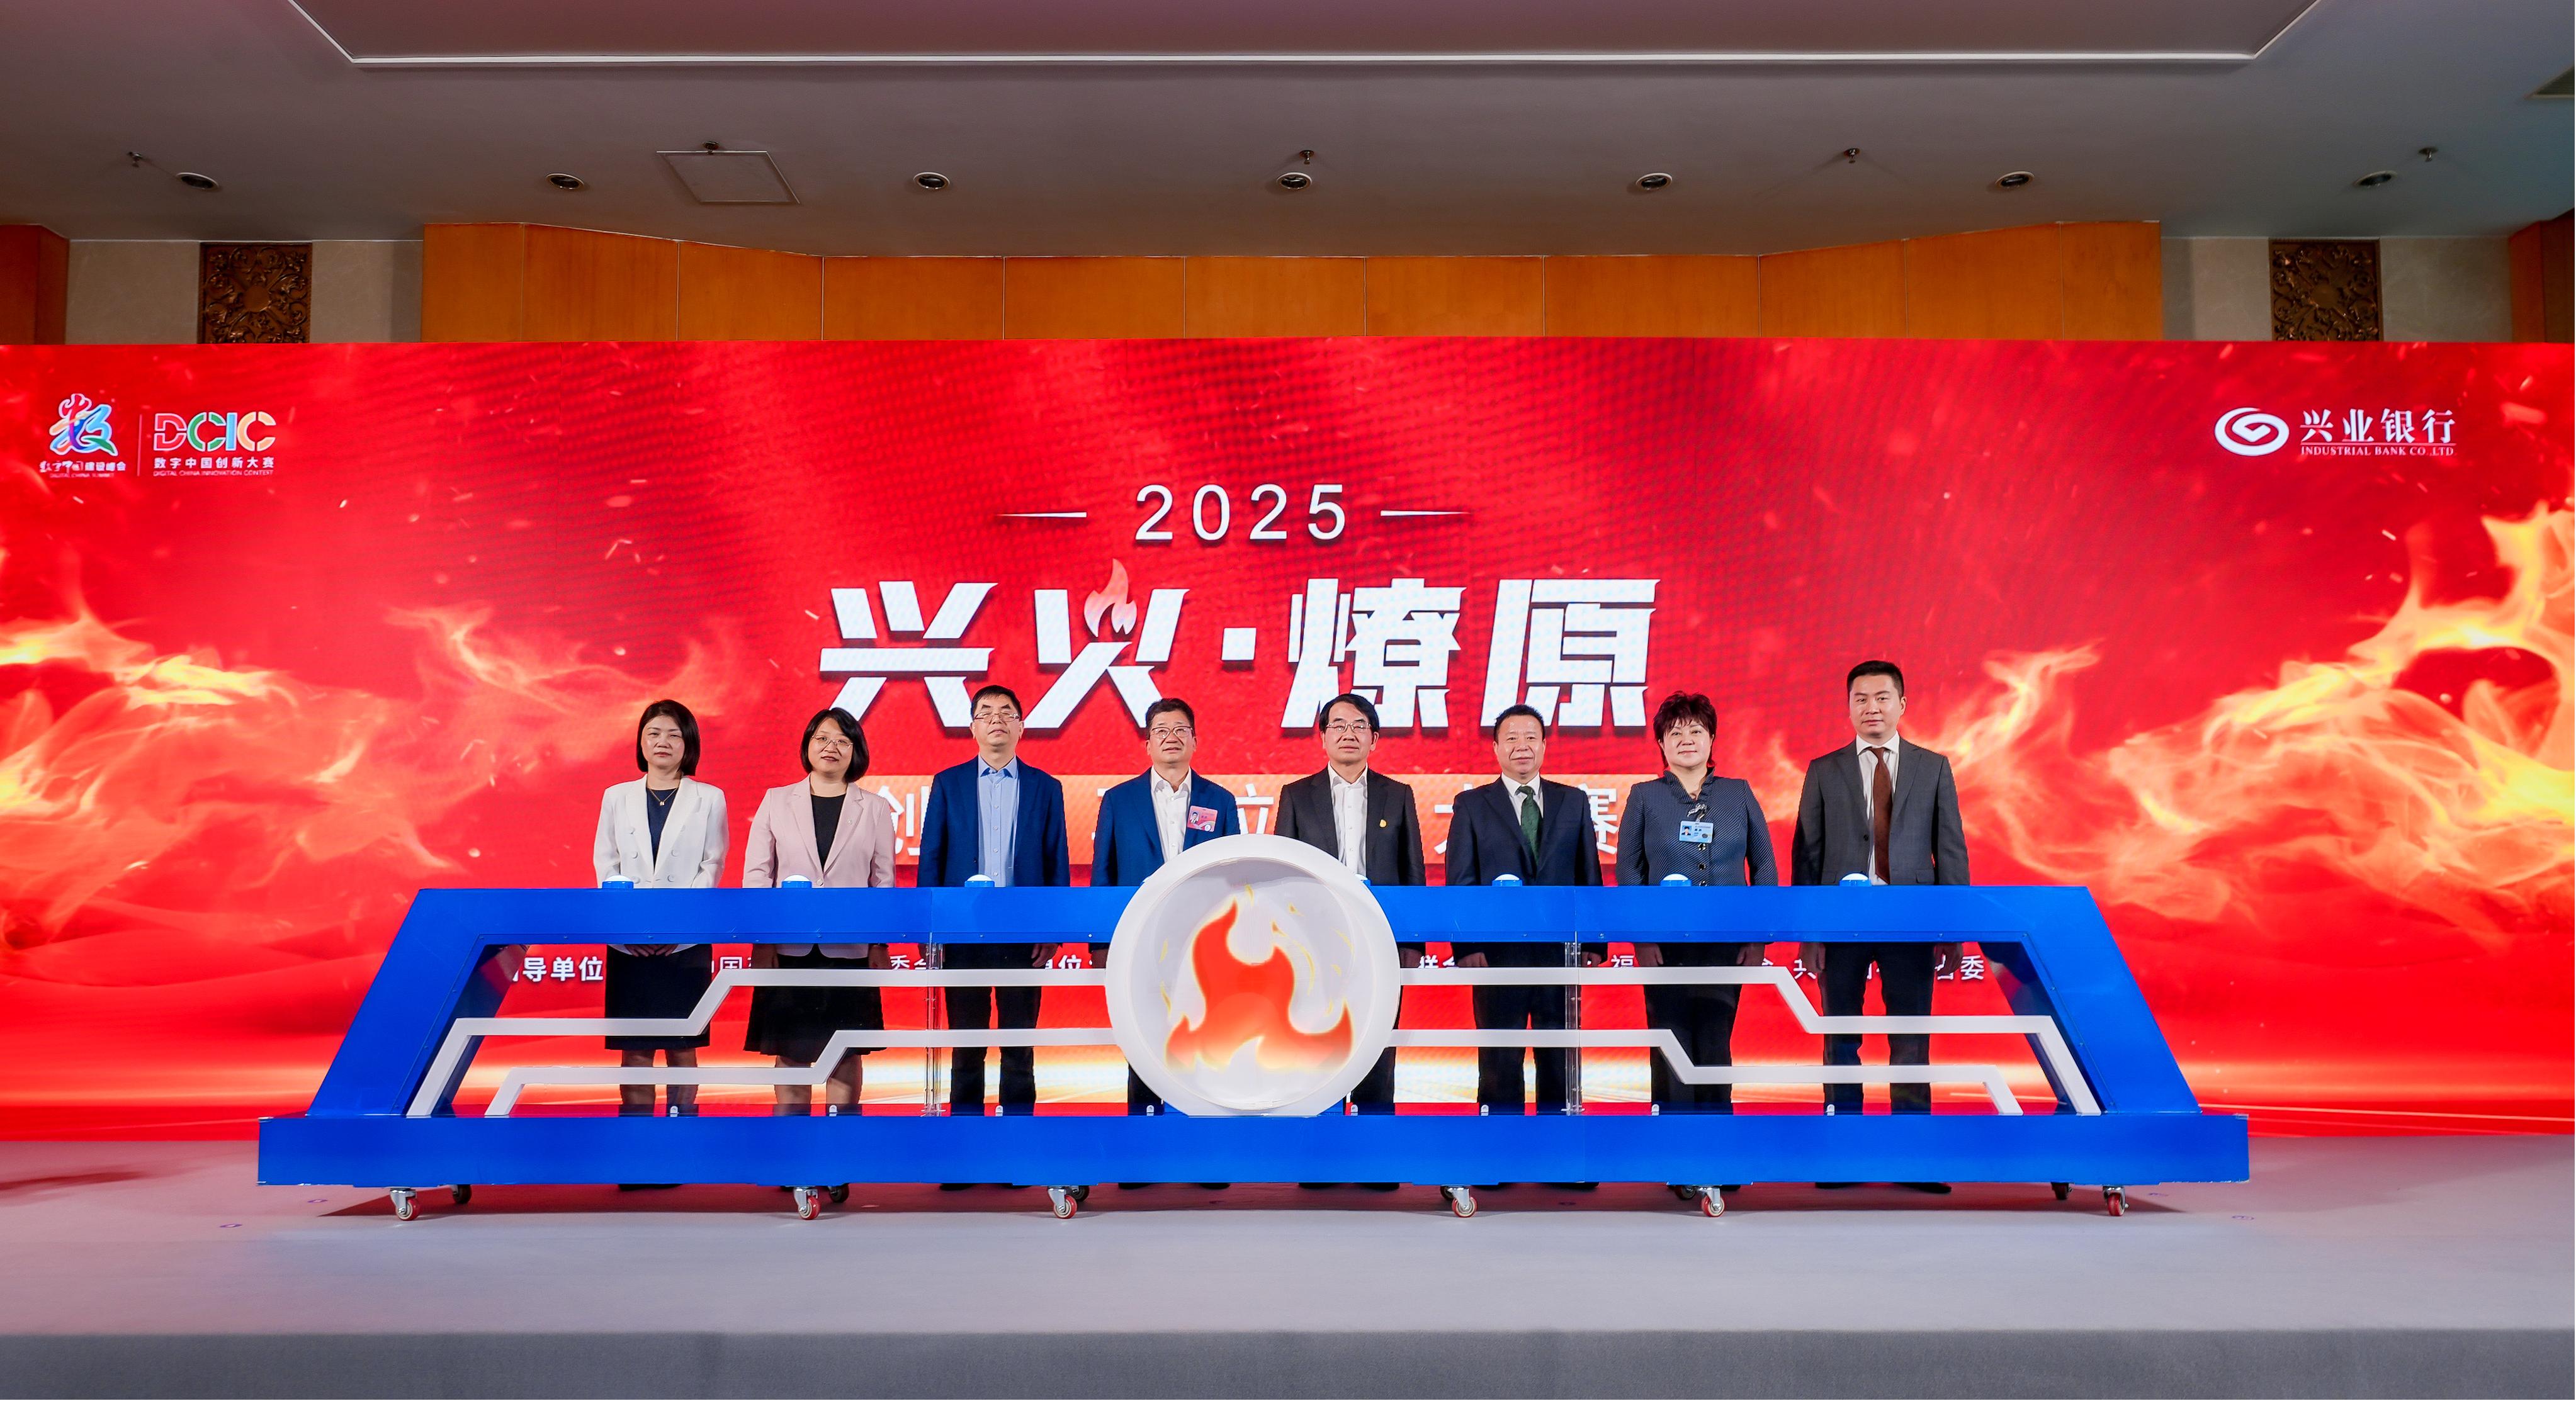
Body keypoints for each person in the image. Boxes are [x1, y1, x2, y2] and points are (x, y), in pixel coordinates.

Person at [1792, 660, 1969, 1195]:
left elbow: (1951, 852)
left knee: (1911, 1037)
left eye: (1882, 697)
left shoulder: (1933, 767)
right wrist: (1809, 933)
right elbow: (1807, 857)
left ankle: (1914, 1155)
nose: (1872, 708)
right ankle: (1842, 1152)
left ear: (1902, 704)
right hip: (1840, 923)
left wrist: (1952, 930)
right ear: (1848, 707)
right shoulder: (1824, 770)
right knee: (1840, 1035)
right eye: (1861, 699)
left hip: (1910, 923)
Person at [1614, 690, 1777, 1115]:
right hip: (1664, 945)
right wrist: (1642, 940)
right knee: (1669, 1039)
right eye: (1675, 733)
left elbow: (1764, 865)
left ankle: (1716, 1137)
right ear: (1661, 744)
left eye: (1696, 731)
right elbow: (1629, 872)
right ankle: (1673, 1140)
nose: (1686, 740)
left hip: (1725, 942)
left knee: (1715, 1038)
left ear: (1712, 739)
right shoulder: (1645, 796)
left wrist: (1758, 937)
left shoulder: (1738, 793)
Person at [917, 684, 1070, 1125]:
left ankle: (1018, 1137)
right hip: (962, 934)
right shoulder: (949, 784)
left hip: (1023, 935)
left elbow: (1056, 861)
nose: (997, 719)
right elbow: (932, 858)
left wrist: (1052, 932)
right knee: (967, 1045)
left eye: (1007, 712)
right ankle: (965, 1137)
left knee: (1019, 1045)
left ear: (1021, 727)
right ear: (972, 728)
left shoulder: (1046, 788)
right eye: (986, 712)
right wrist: (931, 929)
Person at [1445, 704, 1602, 1117]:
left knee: (1561, 1057)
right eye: (1511, 738)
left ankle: (1561, 1144)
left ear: (1545, 745)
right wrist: (1466, 947)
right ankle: (1499, 1145)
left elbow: (1589, 875)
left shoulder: (1573, 802)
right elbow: (1461, 881)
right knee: (1499, 1058)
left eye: (1531, 737)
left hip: (1560, 953)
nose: (1522, 746)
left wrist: (1594, 943)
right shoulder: (1472, 805)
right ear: (1496, 748)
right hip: (1498, 956)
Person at [1275, 692, 1424, 1127]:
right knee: (1315, 1038)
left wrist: (1412, 942)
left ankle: (1374, 1138)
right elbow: (1281, 874)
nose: (1348, 734)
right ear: (1323, 737)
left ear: (1374, 739)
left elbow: (1412, 872)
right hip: (1313, 942)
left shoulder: (1398, 795)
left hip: (1379, 938)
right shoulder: (1296, 795)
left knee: (1376, 1039)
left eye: (1359, 726)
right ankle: (1318, 1137)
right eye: (1338, 725)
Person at [1089, 696, 1241, 1115]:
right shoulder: (1120, 801)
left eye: (1180, 730)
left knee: (1206, 1037)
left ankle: (1202, 1129)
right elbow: (1103, 873)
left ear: (1195, 741)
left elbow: (1238, 876)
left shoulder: (1220, 800)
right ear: (1148, 743)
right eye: (1161, 731)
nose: (1171, 737)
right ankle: (1143, 1134)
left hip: (1206, 942)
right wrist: (1101, 944)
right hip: (1140, 939)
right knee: (1145, 1036)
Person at [743, 707, 896, 1118]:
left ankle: (839, 1148)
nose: (832, 747)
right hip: (788, 949)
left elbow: (883, 884)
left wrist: (878, 944)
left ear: (856, 751)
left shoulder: (875, 808)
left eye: (843, 741)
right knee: (791, 1052)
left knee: (845, 1053)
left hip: (849, 950)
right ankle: (792, 1147)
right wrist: (763, 941)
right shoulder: (776, 801)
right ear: (808, 745)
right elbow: (757, 878)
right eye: (822, 738)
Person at [590, 700, 729, 1128]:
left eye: (673, 734)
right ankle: (637, 1138)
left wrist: (680, 929)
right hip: (629, 942)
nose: (662, 742)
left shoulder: (709, 798)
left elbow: (712, 866)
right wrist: (627, 929)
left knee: (682, 1045)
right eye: (653, 733)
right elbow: (606, 865)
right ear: (641, 742)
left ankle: (682, 1133)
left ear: (689, 743)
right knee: (635, 1048)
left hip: (684, 943)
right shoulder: (616, 796)